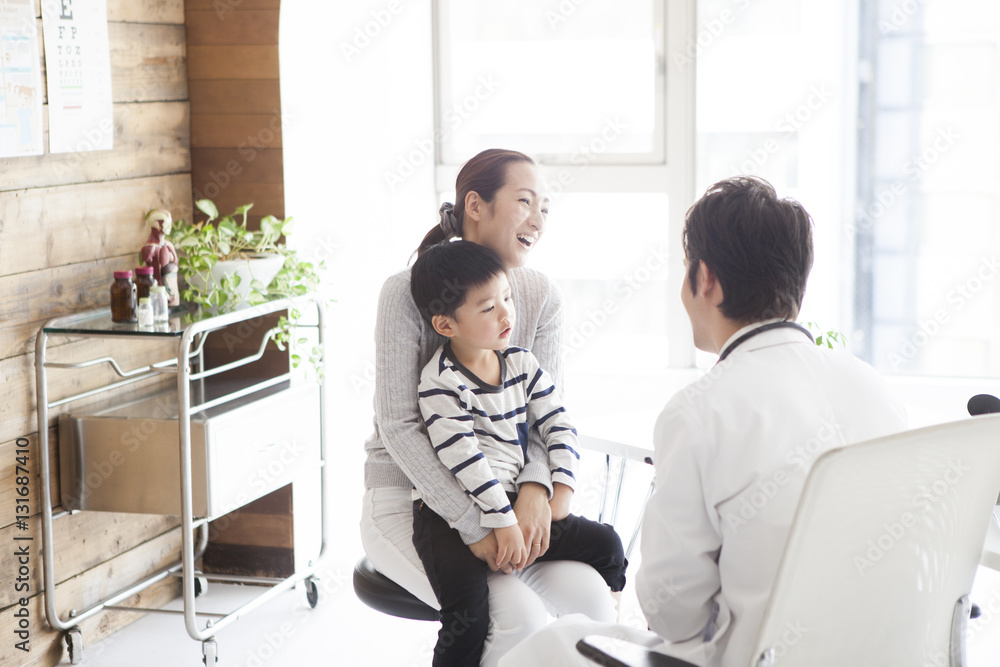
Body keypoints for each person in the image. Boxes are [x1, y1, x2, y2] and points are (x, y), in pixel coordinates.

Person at [497, 176, 908, 667]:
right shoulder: (874, 388)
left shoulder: (700, 411)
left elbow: (674, 614)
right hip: (881, 653)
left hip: (749, 659)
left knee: (548, 645)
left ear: (705, 279)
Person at [361, 149, 620, 667]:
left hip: (511, 497)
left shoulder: (539, 296)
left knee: (592, 598)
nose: (538, 220)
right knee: (516, 615)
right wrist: (477, 524)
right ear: (475, 205)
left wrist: (535, 489)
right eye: (525, 202)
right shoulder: (405, 293)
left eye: (544, 207)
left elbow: (547, 416)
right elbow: (399, 426)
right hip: (415, 502)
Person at [409, 240, 627, 666]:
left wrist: (559, 489)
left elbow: (558, 423)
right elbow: (464, 460)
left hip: (512, 506)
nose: (507, 313)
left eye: (507, 297)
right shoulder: (439, 382)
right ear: (446, 324)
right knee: (468, 615)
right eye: (488, 308)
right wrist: (501, 523)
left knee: (608, 544)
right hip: (452, 518)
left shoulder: (521, 365)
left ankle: (613, 632)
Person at [140, 209, 180, 306]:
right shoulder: (150, 247)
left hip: (173, 290)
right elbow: (147, 257)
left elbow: (175, 262)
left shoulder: (168, 244)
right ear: (158, 224)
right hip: (159, 294)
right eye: (166, 223)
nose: (170, 226)